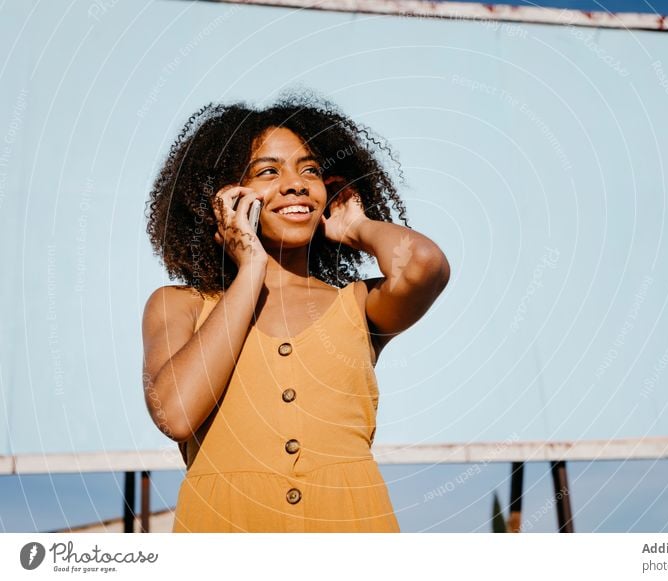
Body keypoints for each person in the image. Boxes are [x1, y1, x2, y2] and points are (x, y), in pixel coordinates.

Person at [141, 90, 450, 532]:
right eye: (269, 171)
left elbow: (425, 266)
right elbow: (175, 413)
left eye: (310, 171)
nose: (296, 183)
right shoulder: (180, 305)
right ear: (223, 198)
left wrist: (357, 226)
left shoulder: (358, 304)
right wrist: (251, 267)